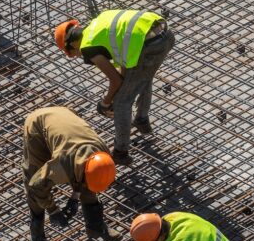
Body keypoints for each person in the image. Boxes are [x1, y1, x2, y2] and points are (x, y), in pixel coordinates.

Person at [53, 10, 174, 165]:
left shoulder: (88, 47)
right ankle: (141, 120)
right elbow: (125, 69)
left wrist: (105, 103)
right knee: (142, 77)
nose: (77, 55)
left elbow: (115, 80)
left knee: (122, 102)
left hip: (150, 46)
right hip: (165, 34)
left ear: (72, 44)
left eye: (72, 53)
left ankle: (120, 152)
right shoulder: (98, 24)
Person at [22, 106, 121, 241]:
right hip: (38, 127)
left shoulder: (103, 157)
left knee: (89, 184)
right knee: (34, 183)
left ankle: (95, 226)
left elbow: (85, 177)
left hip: (64, 117)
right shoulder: (62, 164)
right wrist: (53, 210)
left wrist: (75, 196)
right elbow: (36, 185)